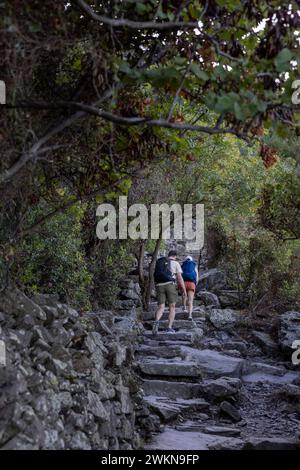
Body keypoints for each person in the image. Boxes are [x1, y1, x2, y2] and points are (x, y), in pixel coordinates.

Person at [152, 250, 186, 335]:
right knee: (172, 306)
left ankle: (156, 322)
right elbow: (179, 278)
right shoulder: (175, 263)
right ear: (175, 256)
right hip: (170, 285)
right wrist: (184, 290)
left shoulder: (161, 262)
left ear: (168, 255)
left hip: (159, 285)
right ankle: (169, 327)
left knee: (161, 307)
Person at [181, 255, 198, 320]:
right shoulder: (194, 265)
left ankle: (184, 307)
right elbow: (196, 276)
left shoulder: (183, 265)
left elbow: (180, 275)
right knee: (190, 300)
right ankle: (190, 315)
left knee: (184, 295)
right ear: (191, 260)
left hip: (184, 283)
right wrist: (195, 283)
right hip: (191, 283)